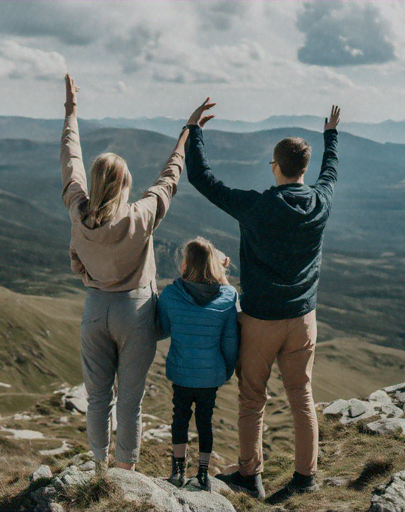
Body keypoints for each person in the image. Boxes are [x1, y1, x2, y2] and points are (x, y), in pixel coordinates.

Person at [184, 100, 340, 502]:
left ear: (275, 165)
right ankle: (306, 479)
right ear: (301, 169)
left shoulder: (257, 206)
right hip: (303, 318)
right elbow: (330, 173)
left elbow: (203, 180)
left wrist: (194, 131)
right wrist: (331, 136)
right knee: (300, 396)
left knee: (253, 398)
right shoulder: (319, 202)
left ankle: (250, 476)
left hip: (260, 321)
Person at [61, 73, 189, 473]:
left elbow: (71, 159)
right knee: (130, 400)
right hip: (136, 313)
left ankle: (99, 466)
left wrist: (71, 111)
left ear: (94, 183)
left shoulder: (77, 209)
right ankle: (125, 471)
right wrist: (187, 134)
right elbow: (169, 179)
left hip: (95, 309)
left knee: (99, 398)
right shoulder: (139, 217)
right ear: (125, 184)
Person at [157, 237, 239, 491]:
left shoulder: (171, 293)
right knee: (206, 421)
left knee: (179, 418)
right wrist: (224, 370)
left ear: (186, 264)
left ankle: (177, 471)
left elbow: (163, 328)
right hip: (210, 374)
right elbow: (230, 343)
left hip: (182, 372)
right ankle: (203, 474)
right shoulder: (227, 296)